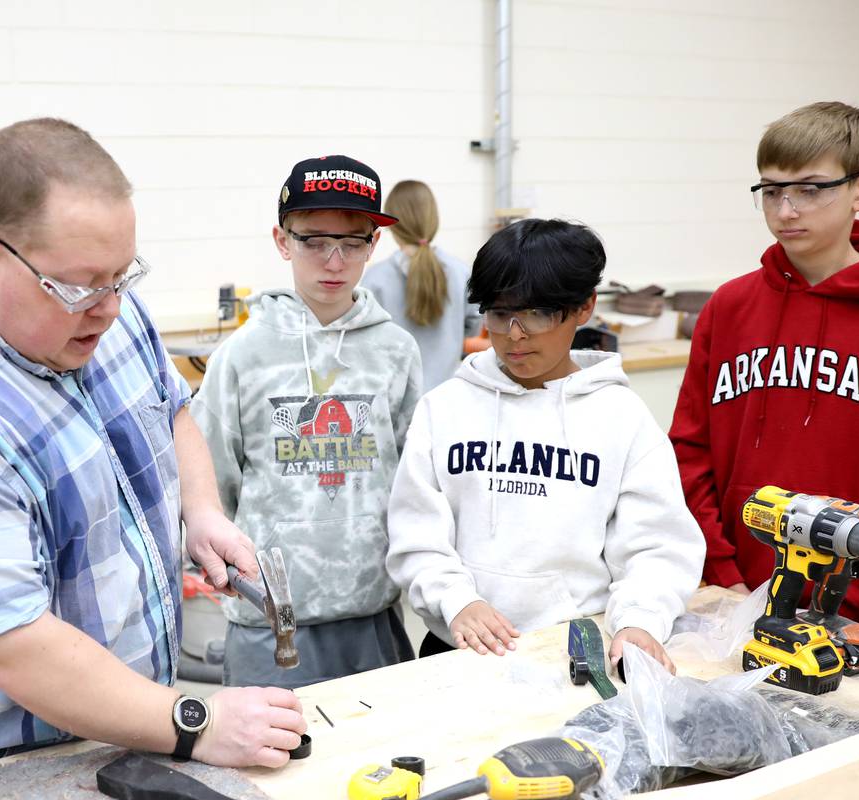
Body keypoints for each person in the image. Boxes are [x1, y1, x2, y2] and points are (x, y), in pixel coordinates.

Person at [0, 118, 306, 770]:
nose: (110, 308)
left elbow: (171, 408)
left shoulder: (95, 302)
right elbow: (14, 646)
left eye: (121, 277)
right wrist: (197, 723)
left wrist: (201, 511)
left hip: (122, 716)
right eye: (86, 284)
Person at [668, 102, 859, 634]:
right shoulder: (729, 306)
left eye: (809, 189)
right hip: (723, 595)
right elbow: (689, 450)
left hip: (846, 610)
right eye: (771, 190)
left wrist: (849, 590)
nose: (786, 210)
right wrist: (721, 570)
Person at [386, 218, 703, 671]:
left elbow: (658, 547)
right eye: (498, 314)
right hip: (461, 650)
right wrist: (457, 602)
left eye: (536, 314)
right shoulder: (445, 408)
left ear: (584, 308)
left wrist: (641, 620)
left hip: (577, 654)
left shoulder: (622, 418)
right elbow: (415, 537)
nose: (514, 334)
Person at [191, 155, 424, 687]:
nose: (333, 261)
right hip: (267, 620)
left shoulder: (396, 352)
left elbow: (415, 482)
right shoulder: (242, 356)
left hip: (372, 615)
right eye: (313, 241)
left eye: (352, 243)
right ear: (282, 241)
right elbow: (211, 485)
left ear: (374, 245)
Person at [364, 180, 481, 393]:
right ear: (433, 219)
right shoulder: (461, 273)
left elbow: (366, 347)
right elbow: (476, 323)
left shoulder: (375, 280)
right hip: (449, 400)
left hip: (394, 405)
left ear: (392, 224)